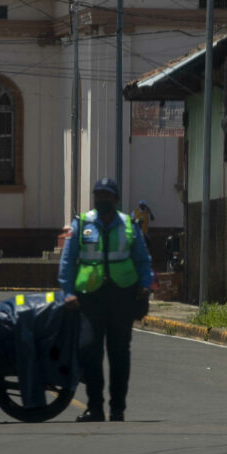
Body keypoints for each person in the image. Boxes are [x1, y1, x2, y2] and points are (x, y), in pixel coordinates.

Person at [59, 177, 153, 422]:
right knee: (89, 350)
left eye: (107, 195)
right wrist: (67, 293)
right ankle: (95, 407)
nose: (102, 199)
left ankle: (118, 408)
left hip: (122, 295)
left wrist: (145, 286)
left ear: (116, 199)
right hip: (89, 297)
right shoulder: (81, 223)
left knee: (119, 352)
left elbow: (143, 261)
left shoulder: (128, 224)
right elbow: (68, 262)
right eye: (98, 195)